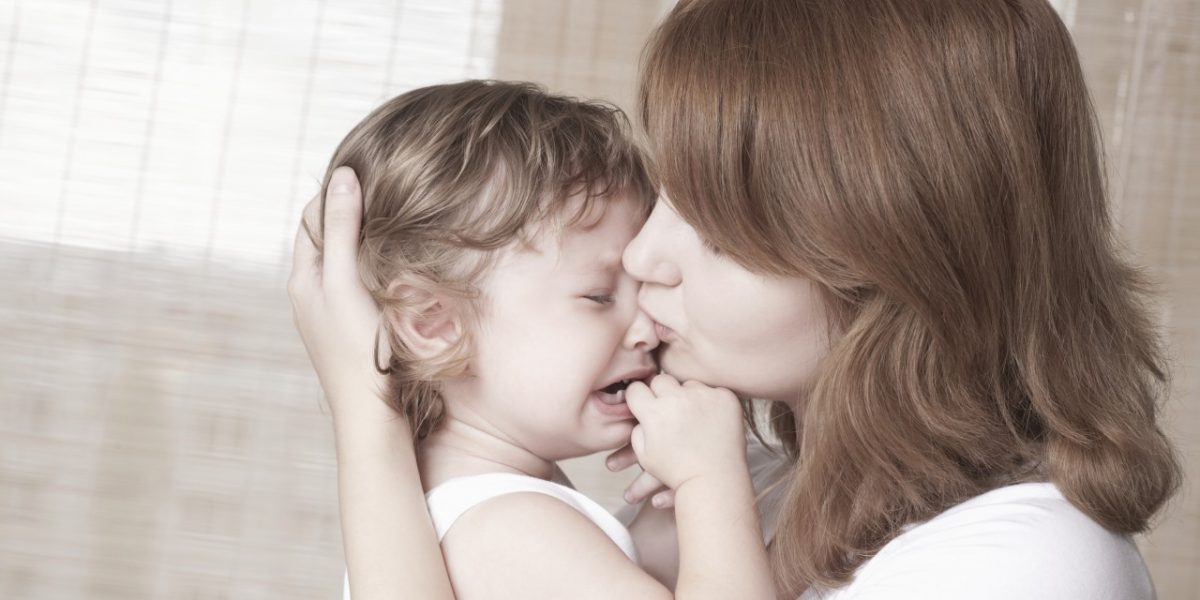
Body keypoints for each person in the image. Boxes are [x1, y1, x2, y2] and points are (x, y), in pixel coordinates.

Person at [289, 0, 1182, 598]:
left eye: (713, 220)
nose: (646, 258)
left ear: (885, 251)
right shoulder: (742, 486)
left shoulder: (1019, 569)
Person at [295, 79, 774, 599]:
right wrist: (712, 481)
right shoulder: (509, 529)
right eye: (597, 296)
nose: (646, 326)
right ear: (434, 323)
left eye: (639, 290)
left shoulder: (474, 516)